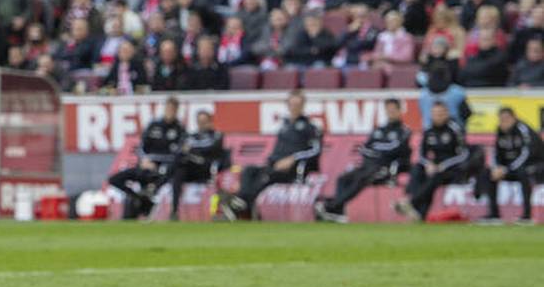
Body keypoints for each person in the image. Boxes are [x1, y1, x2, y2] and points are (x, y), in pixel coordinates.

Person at [219, 90, 322, 220]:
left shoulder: (310, 127)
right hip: (274, 165)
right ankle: (242, 203)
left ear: (303, 105)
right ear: (288, 105)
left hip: (292, 169)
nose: (294, 107)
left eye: (297, 104)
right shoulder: (284, 126)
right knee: (249, 171)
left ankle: (239, 205)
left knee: (266, 176)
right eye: (291, 104)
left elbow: (316, 150)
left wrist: (293, 159)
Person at [314, 98, 412, 223]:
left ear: (400, 111)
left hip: (388, 168)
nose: (390, 112)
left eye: (393, 110)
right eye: (388, 110)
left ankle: (331, 206)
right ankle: (338, 213)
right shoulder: (379, 130)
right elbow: (365, 148)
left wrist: (376, 149)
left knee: (362, 178)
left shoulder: (404, 130)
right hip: (369, 166)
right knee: (343, 178)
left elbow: (396, 147)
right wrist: (378, 150)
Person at [394, 101, 483, 222]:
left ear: (446, 113)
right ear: (431, 114)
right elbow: (422, 154)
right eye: (435, 113)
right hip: (434, 167)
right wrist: (428, 164)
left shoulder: (455, 129)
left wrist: (443, 165)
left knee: (435, 177)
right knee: (417, 169)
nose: (438, 116)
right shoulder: (428, 131)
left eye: (441, 113)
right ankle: (417, 213)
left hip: (454, 169)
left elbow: (463, 154)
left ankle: (411, 202)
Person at [108, 96, 184, 219]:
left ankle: (171, 212)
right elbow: (141, 146)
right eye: (168, 108)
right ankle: (138, 198)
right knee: (114, 179)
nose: (170, 111)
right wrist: (144, 160)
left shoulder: (179, 129)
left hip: (164, 169)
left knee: (175, 174)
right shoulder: (153, 125)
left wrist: (163, 165)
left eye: (173, 109)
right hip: (146, 165)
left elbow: (178, 154)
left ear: (176, 110)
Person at [477, 108, 544, 224]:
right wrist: (497, 168)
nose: (504, 122)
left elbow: (526, 154)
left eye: (506, 119)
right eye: (501, 120)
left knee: (524, 174)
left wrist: (507, 169)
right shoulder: (500, 131)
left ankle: (527, 216)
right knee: (488, 173)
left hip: (535, 165)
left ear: (514, 118)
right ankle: (494, 215)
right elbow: (497, 153)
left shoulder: (523, 130)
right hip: (510, 168)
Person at [167, 110, 228, 221]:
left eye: (204, 121)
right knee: (179, 169)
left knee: (180, 162)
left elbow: (211, 148)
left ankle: (163, 177)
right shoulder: (191, 135)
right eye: (199, 122)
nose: (201, 124)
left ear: (210, 122)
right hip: (190, 169)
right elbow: (180, 149)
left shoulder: (216, 135)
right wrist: (191, 150)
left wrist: (191, 149)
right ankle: (174, 211)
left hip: (206, 169)